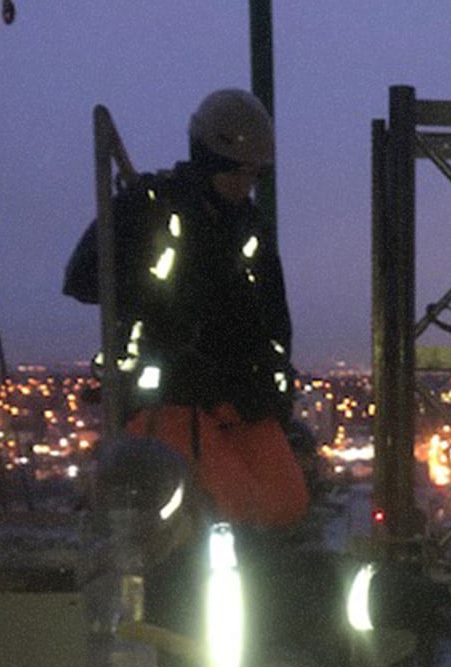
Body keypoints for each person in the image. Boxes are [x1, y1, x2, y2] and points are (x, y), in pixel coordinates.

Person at [64, 87, 308, 529]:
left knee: (286, 502)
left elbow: (274, 317)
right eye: (235, 172)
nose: (243, 184)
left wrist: (274, 386)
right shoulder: (152, 208)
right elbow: (83, 278)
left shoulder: (250, 231)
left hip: (236, 397)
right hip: (167, 396)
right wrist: (151, 296)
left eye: (252, 174)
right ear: (207, 160)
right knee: (232, 507)